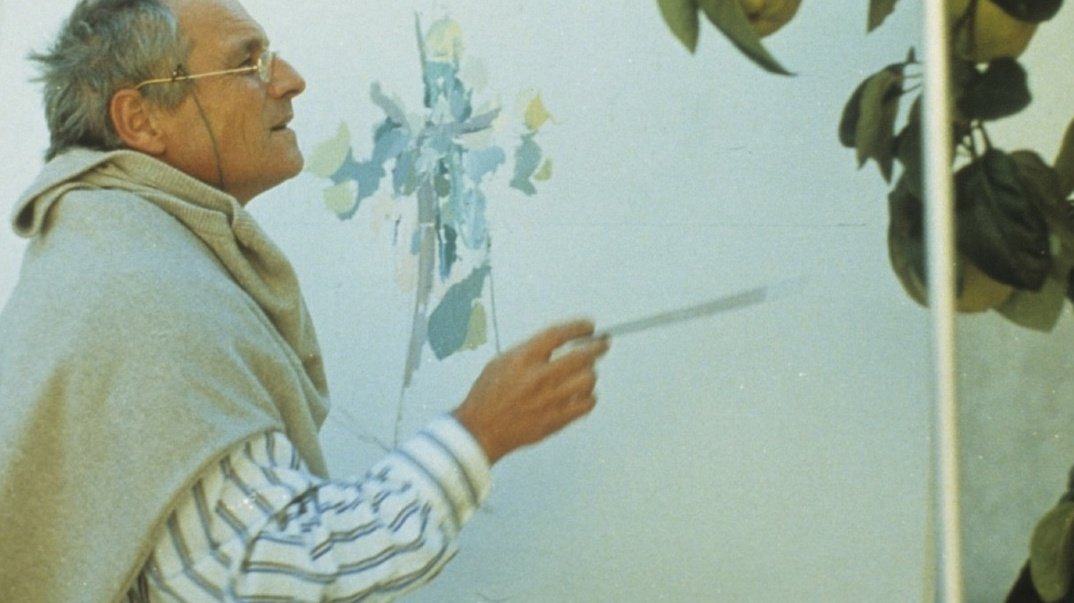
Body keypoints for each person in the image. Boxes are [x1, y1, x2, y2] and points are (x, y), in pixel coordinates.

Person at [0, 0, 610, 601]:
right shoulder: (139, 287)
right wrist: (478, 434)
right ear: (142, 120)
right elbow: (266, 579)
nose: (290, 80)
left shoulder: (104, 246)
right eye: (249, 62)